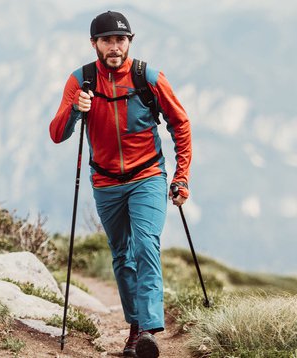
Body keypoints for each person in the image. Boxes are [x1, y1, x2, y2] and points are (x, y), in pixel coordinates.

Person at [49, 10, 192, 358]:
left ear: (129, 42)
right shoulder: (80, 81)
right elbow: (56, 134)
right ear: (94, 44)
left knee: (145, 245)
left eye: (121, 40)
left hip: (147, 176)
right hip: (106, 181)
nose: (114, 47)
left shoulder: (149, 78)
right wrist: (75, 111)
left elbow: (181, 125)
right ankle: (134, 328)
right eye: (107, 40)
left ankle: (147, 329)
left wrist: (181, 176)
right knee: (122, 256)